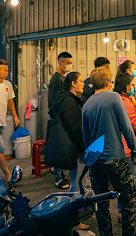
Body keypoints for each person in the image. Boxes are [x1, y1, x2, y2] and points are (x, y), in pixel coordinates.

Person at [82, 66, 136, 236]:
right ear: (108, 83)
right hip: (115, 157)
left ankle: (105, 233)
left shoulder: (86, 105)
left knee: (100, 201)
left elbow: (86, 138)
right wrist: (134, 150)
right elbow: (126, 127)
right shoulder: (114, 97)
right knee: (128, 198)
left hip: (95, 160)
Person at [54, 71, 90, 232]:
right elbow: (75, 128)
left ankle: (76, 217)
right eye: (81, 81)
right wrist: (84, 148)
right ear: (73, 84)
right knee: (76, 184)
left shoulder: (69, 99)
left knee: (77, 181)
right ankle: (73, 221)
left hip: (75, 148)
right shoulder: (69, 101)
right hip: (75, 149)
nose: (83, 84)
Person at [113, 73, 136, 231]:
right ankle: (129, 217)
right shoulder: (126, 102)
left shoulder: (113, 98)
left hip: (115, 147)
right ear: (125, 86)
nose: (132, 87)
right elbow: (134, 125)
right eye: (131, 84)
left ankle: (122, 212)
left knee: (121, 182)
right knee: (130, 182)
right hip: (127, 147)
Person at [48, 51, 73, 189]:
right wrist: (57, 117)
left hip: (62, 116)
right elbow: (53, 100)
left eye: (71, 63)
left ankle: (56, 170)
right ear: (60, 63)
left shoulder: (64, 77)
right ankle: (58, 178)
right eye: (68, 63)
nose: (69, 65)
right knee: (58, 147)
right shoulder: (56, 79)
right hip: (57, 117)